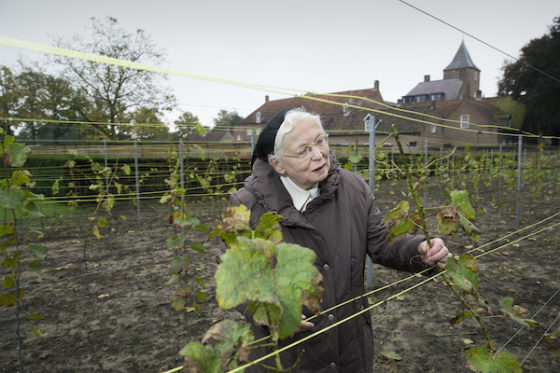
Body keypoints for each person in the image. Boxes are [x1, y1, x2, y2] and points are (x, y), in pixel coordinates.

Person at [229, 108, 450, 372]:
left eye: (320, 141)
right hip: (288, 357)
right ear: (277, 164)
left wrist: (419, 250)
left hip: (351, 349)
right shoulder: (246, 207)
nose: (319, 154)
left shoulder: (353, 188)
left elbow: (381, 241)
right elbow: (234, 276)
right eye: (303, 150)